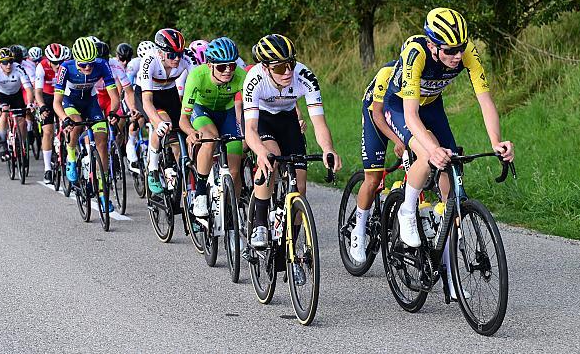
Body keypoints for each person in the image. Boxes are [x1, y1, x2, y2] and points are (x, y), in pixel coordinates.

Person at [383, 7, 514, 300]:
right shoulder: (416, 54)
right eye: (450, 50)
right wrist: (431, 149)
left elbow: (485, 100)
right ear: (432, 45)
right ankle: (407, 209)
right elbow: (411, 115)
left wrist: (496, 141)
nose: (458, 56)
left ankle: (449, 266)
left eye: (461, 48)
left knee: (453, 177)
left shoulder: (467, 51)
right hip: (401, 107)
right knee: (429, 158)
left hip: (433, 106)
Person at [243, 34, 342, 252]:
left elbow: (318, 122)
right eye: (279, 68)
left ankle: (291, 247)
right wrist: (259, 151)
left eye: (291, 64)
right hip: (263, 121)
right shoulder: (254, 79)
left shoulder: (305, 76)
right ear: (266, 67)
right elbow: (249, 129)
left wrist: (328, 149)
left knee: (300, 186)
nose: (287, 71)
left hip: (288, 120)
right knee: (270, 157)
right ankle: (259, 224)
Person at [348, 40, 417, 263]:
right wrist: (397, 140)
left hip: (399, 113)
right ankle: (358, 230)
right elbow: (378, 115)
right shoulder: (387, 72)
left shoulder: (421, 76)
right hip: (374, 113)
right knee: (374, 177)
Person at [179, 37, 246, 216]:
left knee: (234, 169)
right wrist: (191, 132)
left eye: (231, 66)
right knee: (210, 138)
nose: (227, 71)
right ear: (209, 65)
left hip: (227, 112)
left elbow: (252, 108)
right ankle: (200, 194)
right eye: (221, 66)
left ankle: (231, 217)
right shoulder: (196, 77)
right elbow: (183, 119)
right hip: (202, 112)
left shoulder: (241, 76)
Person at [53, 36, 120, 212]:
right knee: (76, 124)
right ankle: (71, 157)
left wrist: (112, 112)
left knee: (102, 142)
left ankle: (103, 192)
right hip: (70, 102)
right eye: (83, 65)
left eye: (90, 63)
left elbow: (114, 96)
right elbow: (56, 102)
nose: (88, 68)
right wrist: (63, 118)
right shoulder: (65, 67)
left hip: (91, 102)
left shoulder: (102, 65)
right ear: (76, 60)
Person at [139, 28, 191, 194]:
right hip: (148, 95)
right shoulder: (150, 60)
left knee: (178, 137)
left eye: (179, 54)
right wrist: (158, 122)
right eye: (171, 55)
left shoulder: (186, 59)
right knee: (164, 125)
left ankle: (181, 178)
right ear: (160, 53)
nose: (176, 59)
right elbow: (147, 102)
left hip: (169, 93)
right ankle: (153, 169)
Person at [0, 48, 34, 159]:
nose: (8, 65)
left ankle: (22, 144)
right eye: (4, 62)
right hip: (2, 95)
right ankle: (3, 143)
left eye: (10, 61)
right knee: (4, 113)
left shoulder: (19, 69)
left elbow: (28, 89)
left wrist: (30, 103)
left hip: (16, 94)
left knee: (22, 120)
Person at [35, 43, 68, 183]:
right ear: (48, 60)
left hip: (63, 96)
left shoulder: (67, 66)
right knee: (48, 131)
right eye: (55, 63)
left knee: (69, 126)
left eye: (60, 62)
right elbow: (37, 91)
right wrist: (42, 106)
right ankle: (47, 169)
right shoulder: (41, 66)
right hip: (48, 97)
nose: (58, 65)